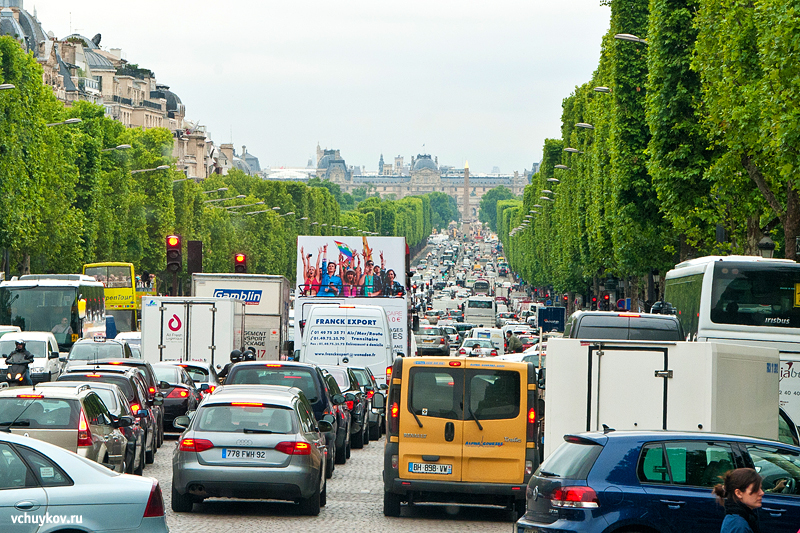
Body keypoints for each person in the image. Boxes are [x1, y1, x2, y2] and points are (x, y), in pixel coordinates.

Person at [713, 468, 763, 533]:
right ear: (738, 493)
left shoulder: (737, 518)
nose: (762, 493)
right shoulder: (739, 525)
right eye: (755, 489)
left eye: (760, 488)